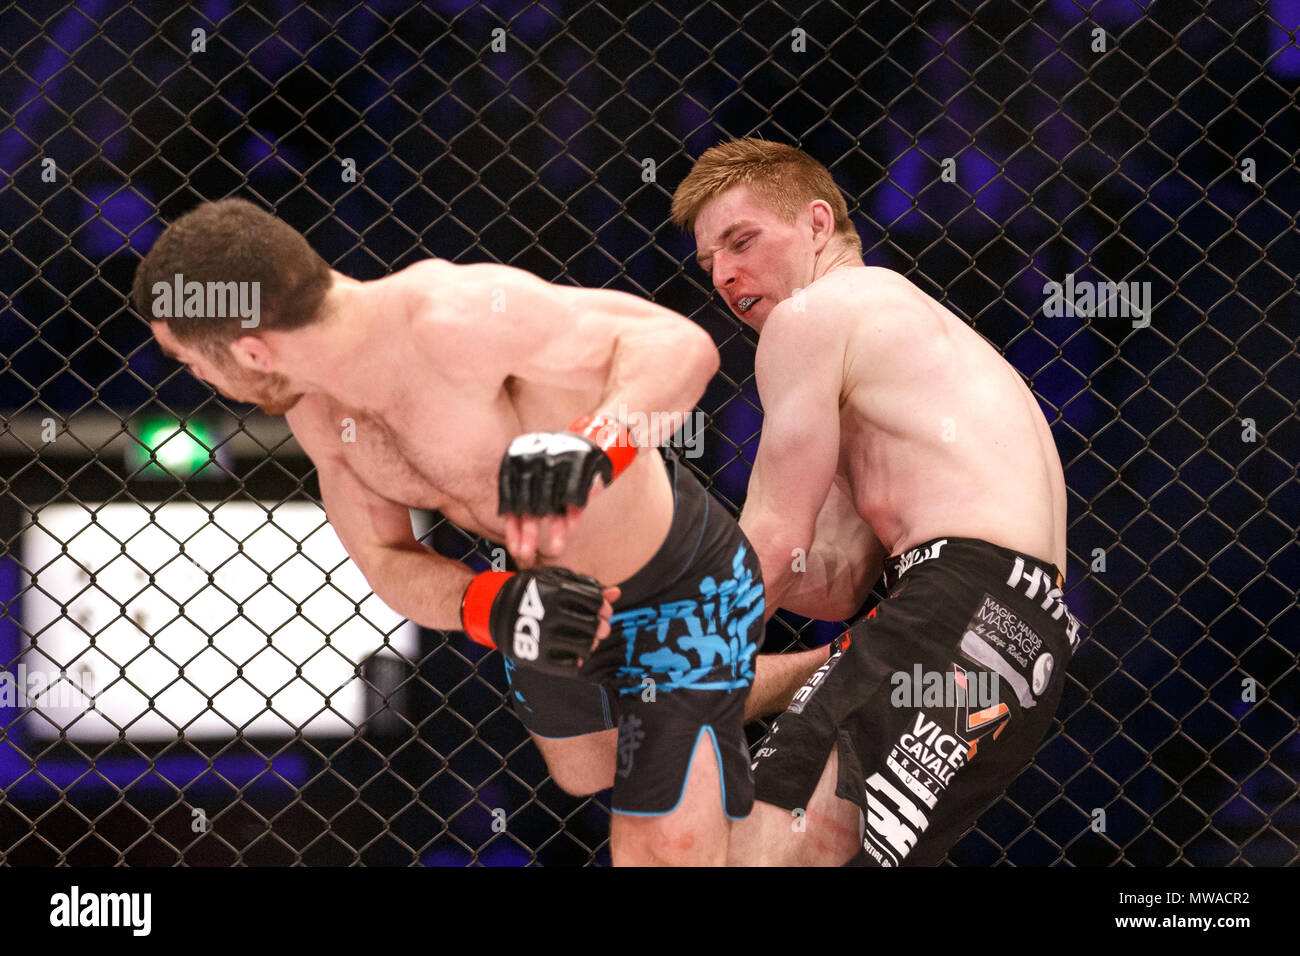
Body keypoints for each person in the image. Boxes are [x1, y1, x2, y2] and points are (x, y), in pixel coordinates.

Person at [130, 197, 822, 865]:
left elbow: (679, 346)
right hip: (548, 597)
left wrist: (594, 446)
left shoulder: (451, 318)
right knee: (587, 767)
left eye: (193, 362)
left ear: (252, 352)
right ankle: (820, 674)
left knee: (662, 844)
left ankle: (733, 698)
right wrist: (489, 605)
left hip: (675, 575)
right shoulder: (319, 416)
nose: (198, 379)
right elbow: (384, 559)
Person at [670, 139, 1083, 866]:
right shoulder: (901, 337)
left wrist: (675, 643)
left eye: (742, 241)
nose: (726, 274)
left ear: (818, 224)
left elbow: (769, 544)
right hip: (1024, 638)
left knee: (761, 852)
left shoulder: (812, 319)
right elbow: (836, 580)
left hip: (954, 603)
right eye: (709, 263)